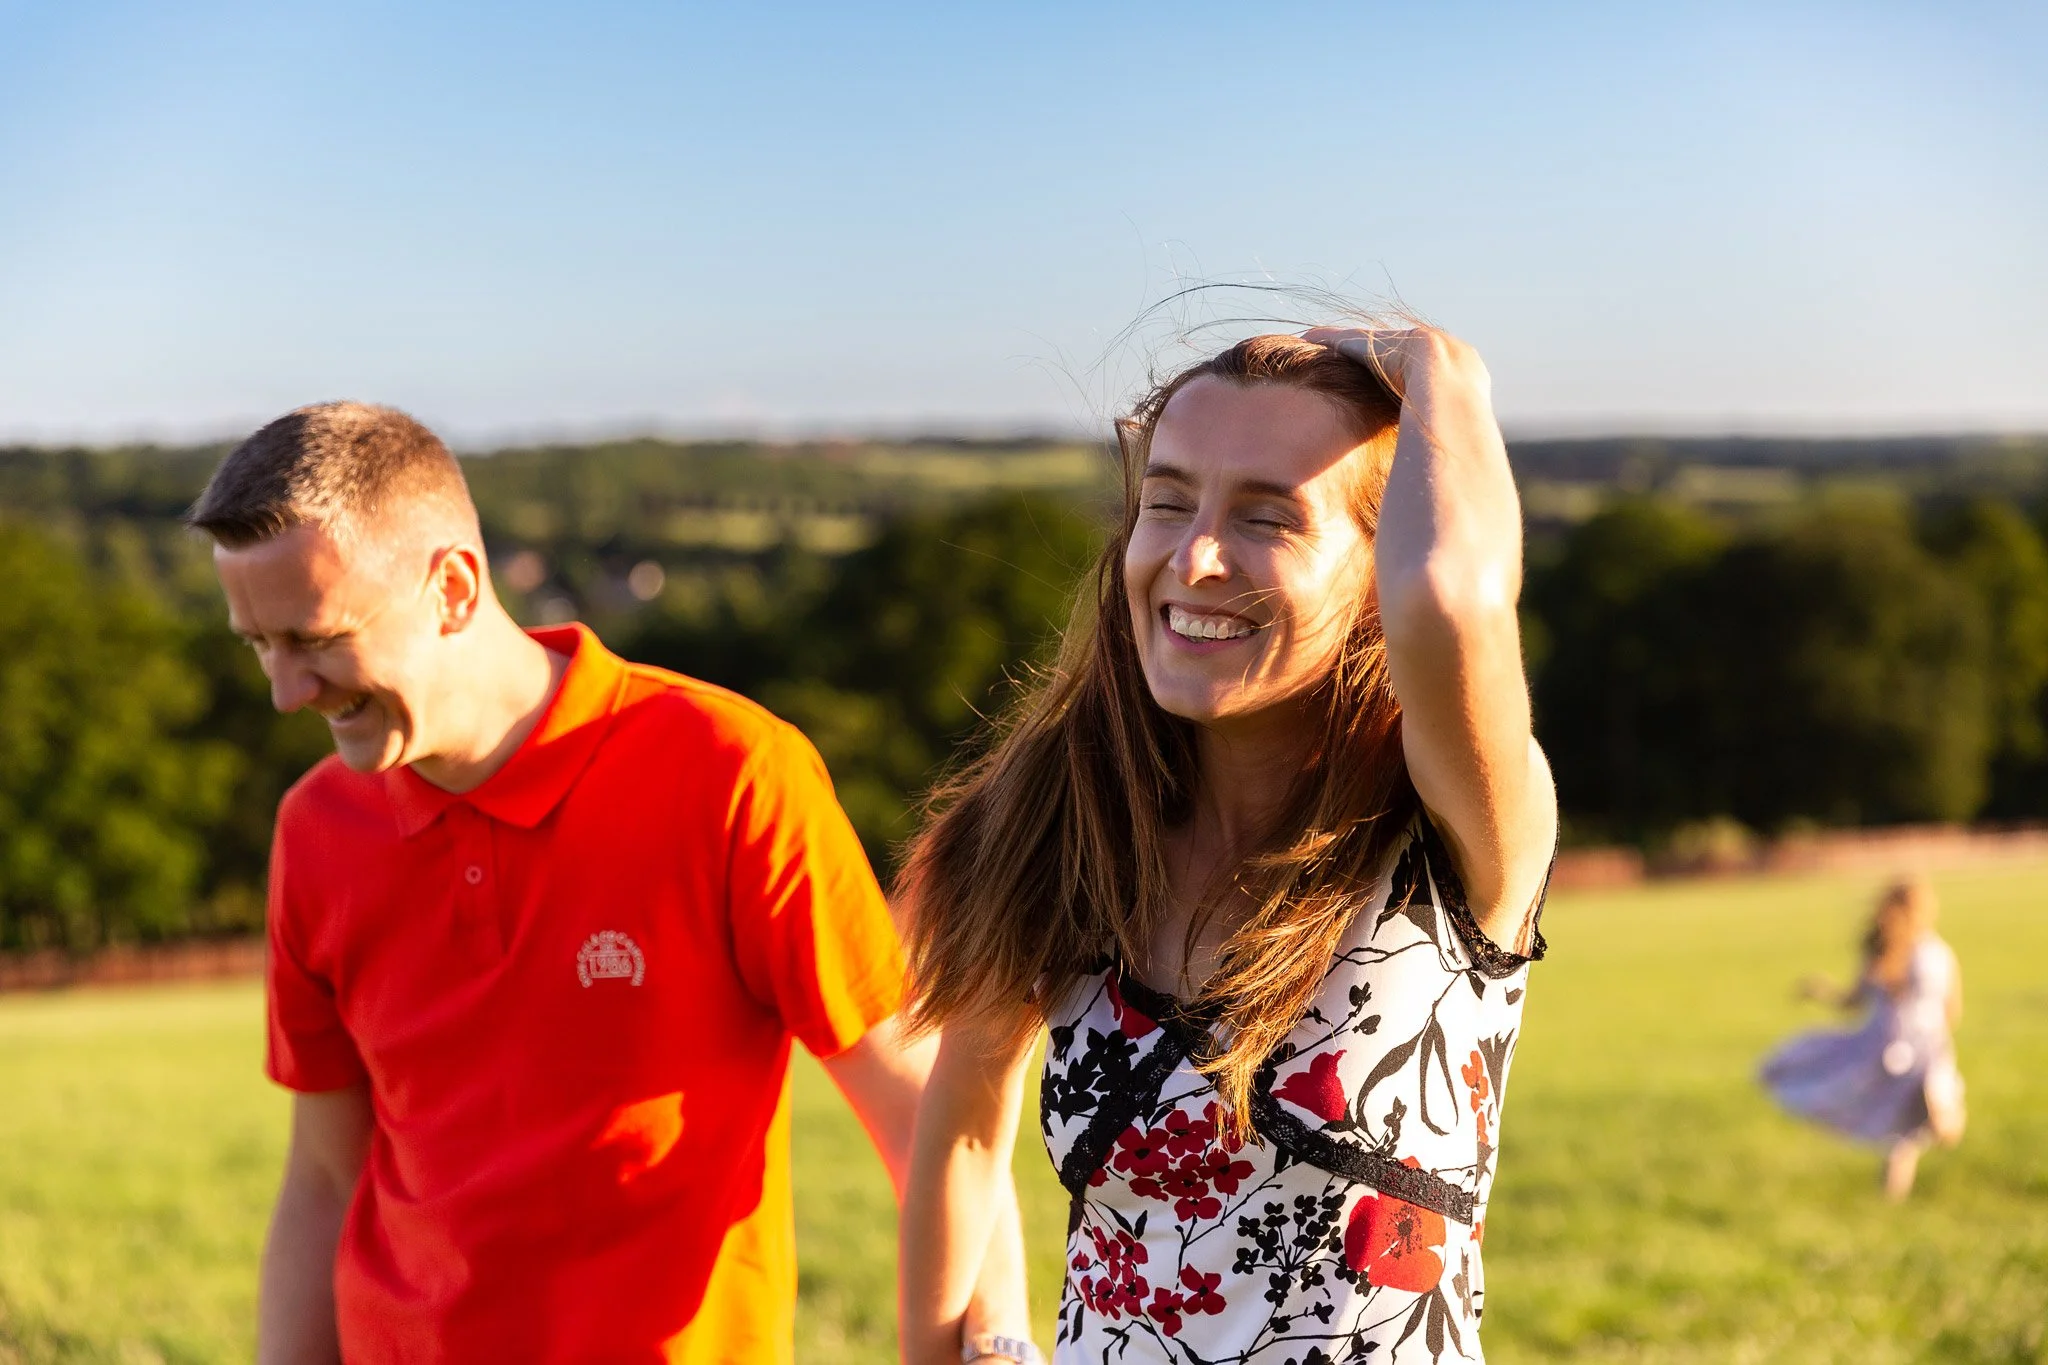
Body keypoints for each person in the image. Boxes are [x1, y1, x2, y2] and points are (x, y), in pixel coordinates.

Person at [187, 402, 1026, 1363]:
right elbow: (326, 1179)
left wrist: (995, 1340)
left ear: (453, 588)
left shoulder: (731, 773)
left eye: (315, 638)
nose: (285, 692)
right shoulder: (316, 826)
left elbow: (927, 1110)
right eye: (258, 645)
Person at [897, 328, 1559, 1363]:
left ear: (1373, 567)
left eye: (1267, 517)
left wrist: (1441, 368)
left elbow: (1450, 597)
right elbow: (964, 1132)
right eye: (1166, 502)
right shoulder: (1059, 825)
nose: (1194, 557)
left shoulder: (1457, 833)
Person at [1761, 876, 1966, 1200]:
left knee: (1937, 1129)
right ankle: (1890, 1205)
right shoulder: (1888, 953)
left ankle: (1896, 1194)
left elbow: (1952, 1006)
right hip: (1891, 1048)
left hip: (1928, 1048)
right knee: (1905, 1134)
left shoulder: (1938, 952)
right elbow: (1855, 1001)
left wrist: (1937, 1038)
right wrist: (1821, 989)